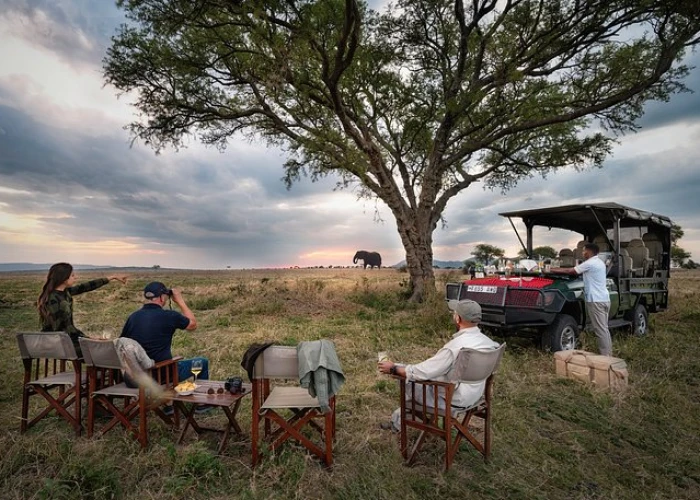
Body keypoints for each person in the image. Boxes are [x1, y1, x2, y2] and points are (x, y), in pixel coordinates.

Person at [378, 299, 500, 432]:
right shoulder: (491, 344)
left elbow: (423, 372)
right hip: (475, 395)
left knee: (405, 375)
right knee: (411, 374)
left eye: (454, 313)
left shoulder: (455, 347)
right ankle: (398, 419)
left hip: (451, 401)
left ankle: (399, 423)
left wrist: (394, 368)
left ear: (458, 318)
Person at [120, 281, 210, 392]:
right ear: (162, 298)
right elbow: (193, 325)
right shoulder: (170, 316)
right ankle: (202, 403)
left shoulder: (133, 317)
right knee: (202, 363)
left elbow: (121, 345)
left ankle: (166, 406)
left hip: (132, 379)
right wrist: (180, 301)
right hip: (159, 376)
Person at [37, 262, 127, 354]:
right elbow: (65, 328)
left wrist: (112, 277)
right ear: (64, 278)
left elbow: (86, 286)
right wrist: (89, 339)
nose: (75, 277)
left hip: (64, 340)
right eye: (72, 275)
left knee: (102, 349)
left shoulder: (64, 293)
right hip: (59, 343)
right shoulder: (55, 300)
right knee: (103, 351)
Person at [551, 242, 612, 356]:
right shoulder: (599, 262)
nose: (583, 253)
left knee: (600, 330)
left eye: (584, 251)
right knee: (604, 328)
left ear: (589, 252)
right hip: (604, 298)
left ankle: (606, 357)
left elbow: (571, 271)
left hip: (596, 300)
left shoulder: (590, 263)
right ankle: (608, 353)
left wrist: (551, 270)